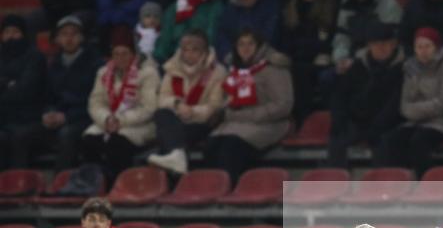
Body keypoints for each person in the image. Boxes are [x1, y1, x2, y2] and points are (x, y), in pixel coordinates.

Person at [9, 16, 102, 171]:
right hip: (57, 118)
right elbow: (46, 97)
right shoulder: (53, 64)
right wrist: (48, 113)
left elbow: (95, 101)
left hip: (83, 118)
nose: (69, 38)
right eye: (64, 34)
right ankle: (20, 181)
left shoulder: (95, 63)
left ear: (82, 37)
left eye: (73, 34)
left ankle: (60, 183)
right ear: (57, 39)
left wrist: (67, 117)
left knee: (67, 135)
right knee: (20, 135)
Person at [204, 29, 292, 181]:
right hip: (237, 122)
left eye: (250, 44)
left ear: (259, 46)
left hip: (268, 123)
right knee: (212, 145)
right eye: (241, 44)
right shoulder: (235, 69)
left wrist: (245, 116)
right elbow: (228, 99)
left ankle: (231, 189)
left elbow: (283, 104)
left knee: (232, 147)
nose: (245, 48)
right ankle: (213, 191)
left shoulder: (273, 68)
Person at [375, 27, 443, 176]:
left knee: (419, 141)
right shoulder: (410, 68)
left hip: (442, 123)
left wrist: (417, 109)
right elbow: (405, 107)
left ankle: (426, 185)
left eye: (428, 46)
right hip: (415, 122)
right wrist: (423, 109)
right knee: (391, 140)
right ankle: (397, 185)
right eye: (419, 47)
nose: (423, 51)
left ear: (437, 47)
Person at [82, 25, 160, 183]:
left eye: (125, 54)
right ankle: (95, 183)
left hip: (140, 124)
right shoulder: (103, 72)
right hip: (110, 120)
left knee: (117, 142)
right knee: (88, 139)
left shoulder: (148, 73)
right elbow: (95, 102)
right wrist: (107, 119)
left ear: (134, 54)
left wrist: (121, 121)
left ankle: (119, 183)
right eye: (116, 54)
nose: (120, 58)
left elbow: (149, 108)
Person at [327, 20, 404, 168]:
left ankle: (381, 186)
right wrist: (339, 117)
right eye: (376, 43)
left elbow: (396, 103)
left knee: (385, 142)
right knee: (337, 136)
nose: (381, 48)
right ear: (369, 45)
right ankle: (336, 184)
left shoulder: (402, 68)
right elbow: (340, 95)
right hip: (358, 120)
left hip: (388, 123)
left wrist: (378, 126)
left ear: (393, 44)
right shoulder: (358, 65)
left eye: (385, 43)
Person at [149, 29, 226, 174]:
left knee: (167, 138)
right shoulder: (172, 68)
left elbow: (216, 105)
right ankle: (177, 158)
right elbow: (162, 98)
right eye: (185, 50)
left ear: (204, 51)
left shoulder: (217, 71)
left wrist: (192, 112)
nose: (189, 54)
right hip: (177, 119)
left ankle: (175, 172)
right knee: (161, 114)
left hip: (202, 123)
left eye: (194, 50)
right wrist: (178, 104)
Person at [281, 0, 336, 121]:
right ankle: (302, 119)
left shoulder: (330, 5)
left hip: (324, 58)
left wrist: (309, 47)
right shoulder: (292, 9)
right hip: (300, 59)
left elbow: (330, 39)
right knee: (296, 71)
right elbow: (290, 41)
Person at [332, 0, 403, 75]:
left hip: (379, 62)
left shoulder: (389, 5)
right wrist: (341, 58)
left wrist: (357, 61)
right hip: (349, 59)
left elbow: (389, 42)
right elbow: (342, 36)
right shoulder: (346, 4)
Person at [0, 15, 48, 168]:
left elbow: (26, 90)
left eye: (15, 32)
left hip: (29, 117)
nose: (10, 36)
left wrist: (5, 85)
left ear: (24, 34)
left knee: (19, 137)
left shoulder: (35, 57)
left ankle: (19, 184)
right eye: (6, 32)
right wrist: (9, 83)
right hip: (4, 117)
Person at [154, 0, 225, 63]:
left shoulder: (215, 6)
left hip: (203, 61)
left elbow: (211, 37)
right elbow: (165, 41)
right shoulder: (173, 9)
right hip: (175, 62)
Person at [216, 0, 280, 60]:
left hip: (264, 60)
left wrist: (250, 59)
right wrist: (229, 56)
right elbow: (222, 36)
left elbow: (270, 38)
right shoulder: (230, 9)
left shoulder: (271, 8)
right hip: (234, 61)